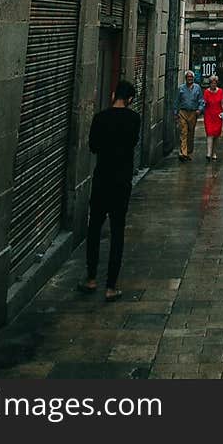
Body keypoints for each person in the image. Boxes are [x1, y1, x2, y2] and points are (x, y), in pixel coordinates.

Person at [79, 79, 141, 302]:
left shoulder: (99, 118)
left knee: (94, 228)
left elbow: (93, 146)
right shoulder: (134, 119)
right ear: (131, 99)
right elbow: (133, 143)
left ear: (114, 94)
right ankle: (111, 286)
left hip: (101, 179)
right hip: (121, 182)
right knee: (117, 232)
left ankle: (91, 278)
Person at [175, 69, 205, 161]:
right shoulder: (181, 88)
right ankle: (183, 153)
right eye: (188, 77)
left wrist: (199, 110)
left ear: (193, 78)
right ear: (185, 78)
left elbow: (201, 100)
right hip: (183, 112)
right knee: (183, 132)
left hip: (193, 113)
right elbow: (177, 101)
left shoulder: (197, 88)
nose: (189, 79)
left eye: (191, 77)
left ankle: (189, 152)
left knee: (190, 133)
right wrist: (175, 112)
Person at [202, 74, 223, 161]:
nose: (213, 85)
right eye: (212, 83)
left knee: (216, 135)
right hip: (209, 115)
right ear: (210, 83)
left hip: (218, 115)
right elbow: (204, 102)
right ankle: (208, 153)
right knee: (209, 133)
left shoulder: (220, 91)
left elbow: (222, 102)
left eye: (215, 83)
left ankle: (214, 152)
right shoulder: (206, 92)